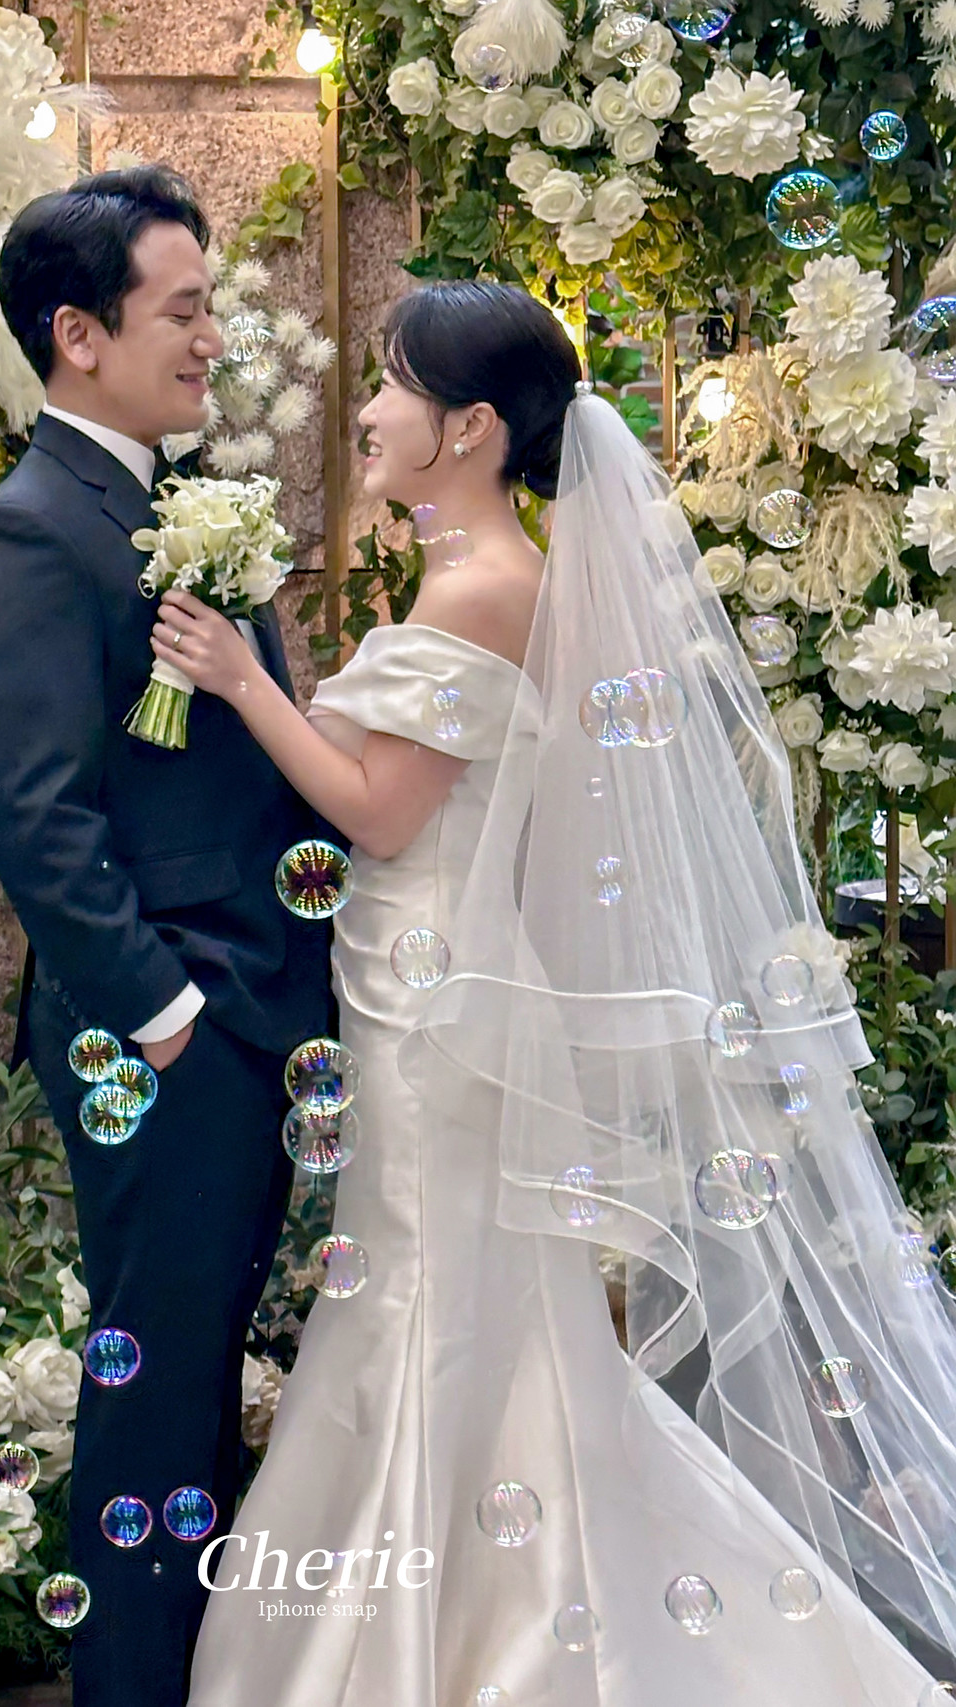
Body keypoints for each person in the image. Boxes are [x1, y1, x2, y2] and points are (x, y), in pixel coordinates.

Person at [153, 279, 956, 1705]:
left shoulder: (480, 586)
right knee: (474, 1309)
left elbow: (382, 813)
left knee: (428, 1299)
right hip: (426, 987)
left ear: (468, 427)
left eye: (392, 387)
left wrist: (242, 678)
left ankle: (434, 1643)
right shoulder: (489, 570)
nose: (368, 413)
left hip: (434, 1006)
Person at [0, 165, 331, 1707]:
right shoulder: (31, 533)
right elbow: (31, 814)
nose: (213, 338)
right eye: (184, 309)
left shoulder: (168, 506)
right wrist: (167, 1018)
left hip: (245, 1007)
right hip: (167, 1032)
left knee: (191, 1377)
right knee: (157, 1400)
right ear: (79, 332)